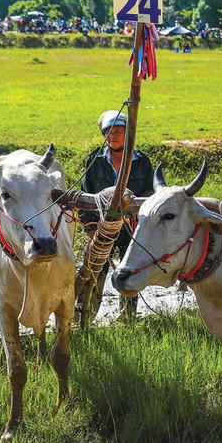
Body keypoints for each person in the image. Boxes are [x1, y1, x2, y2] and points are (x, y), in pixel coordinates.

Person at [77, 110, 156, 322]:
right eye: (108, 132)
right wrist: (90, 226)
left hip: (132, 226)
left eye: (118, 131)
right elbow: (86, 195)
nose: (112, 136)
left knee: (130, 270)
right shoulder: (95, 160)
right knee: (96, 268)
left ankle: (127, 317)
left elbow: (150, 192)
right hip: (103, 225)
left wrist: (138, 213)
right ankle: (87, 315)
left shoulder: (142, 161)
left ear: (127, 133)